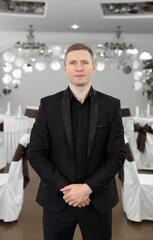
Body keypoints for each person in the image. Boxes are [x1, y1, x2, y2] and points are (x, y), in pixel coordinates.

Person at [28, 43, 125, 240]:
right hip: (58, 199)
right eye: (72, 62)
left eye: (84, 62)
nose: (79, 67)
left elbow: (116, 155)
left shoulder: (111, 106)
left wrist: (87, 188)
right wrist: (69, 191)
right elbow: (36, 154)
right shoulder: (48, 105)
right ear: (65, 69)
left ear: (94, 67)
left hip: (97, 200)